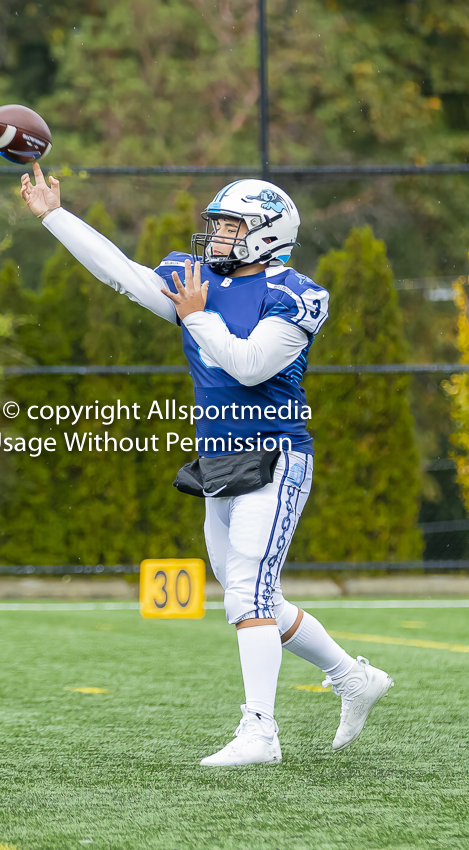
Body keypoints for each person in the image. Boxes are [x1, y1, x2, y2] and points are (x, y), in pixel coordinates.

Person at [20, 163, 393, 766]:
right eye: (215, 224)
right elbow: (123, 274)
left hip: (276, 454)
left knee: (248, 589)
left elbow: (248, 365)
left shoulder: (295, 293)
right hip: (221, 458)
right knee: (245, 591)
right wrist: (55, 216)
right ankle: (353, 676)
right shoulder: (199, 279)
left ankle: (261, 732)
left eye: (229, 225)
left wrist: (195, 315)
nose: (216, 235)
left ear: (267, 233)